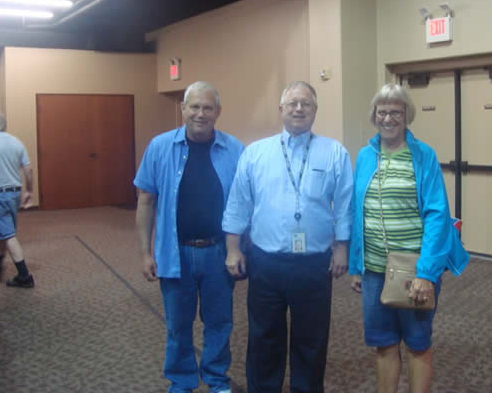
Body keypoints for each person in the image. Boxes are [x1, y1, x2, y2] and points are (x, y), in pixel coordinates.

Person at [223, 80, 353, 393]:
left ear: (315, 111)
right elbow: (238, 203)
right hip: (265, 262)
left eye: (305, 104)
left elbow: (345, 205)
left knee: (311, 339)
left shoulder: (334, 152)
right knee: (264, 336)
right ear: (281, 109)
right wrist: (232, 249)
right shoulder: (256, 152)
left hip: (314, 264)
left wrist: (342, 249)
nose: (298, 109)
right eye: (292, 103)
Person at [348, 84, 470, 393]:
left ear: (407, 116)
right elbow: (357, 211)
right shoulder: (365, 156)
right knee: (384, 344)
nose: (388, 118)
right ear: (374, 115)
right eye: (383, 111)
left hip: (415, 270)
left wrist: (427, 274)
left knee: (417, 344)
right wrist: (356, 265)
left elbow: (437, 215)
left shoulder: (422, 155)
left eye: (396, 112)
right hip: (375, 270)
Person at [134, 81, 244, 393]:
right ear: (183, 109)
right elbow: (145, 201)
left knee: (219, 323)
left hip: (219, 253)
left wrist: (241, 248)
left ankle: (216, 379)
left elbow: (245, 203)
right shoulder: (159, 147)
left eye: (207, 108)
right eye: (194, 106)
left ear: (218, 112)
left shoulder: (235, 149)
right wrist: (145, 253)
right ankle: (181, 381)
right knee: (178, 325)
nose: (200, 113)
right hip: (174, 252)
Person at [0, 110, 35, 288]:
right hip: (15, 193)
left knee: (8, 235)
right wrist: (29, 191)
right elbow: (28, 169)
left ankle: (25, 276)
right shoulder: (16, 141)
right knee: (6, 229)